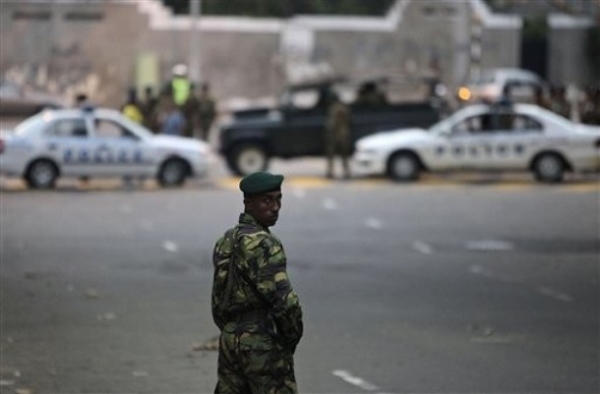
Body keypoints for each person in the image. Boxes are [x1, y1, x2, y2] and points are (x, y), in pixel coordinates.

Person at [212, 171, 303, 394]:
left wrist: (231, 331)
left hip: (230, 340)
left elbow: (218, 297)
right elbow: (284, 301)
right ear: (248, 204)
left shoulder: (227, 239)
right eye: (266, 200)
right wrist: (291, 336)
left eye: (278, 199)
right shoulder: (264, 244)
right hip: (262, 341)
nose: (275, 207)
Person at [325, 92, 352, 179]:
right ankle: (346, 172)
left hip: (335, 134)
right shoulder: (344, 107)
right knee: (344, 156)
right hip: (344, 133)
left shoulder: (334, 108)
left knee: (331, 155)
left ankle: (330, 172)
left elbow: (331, 123)